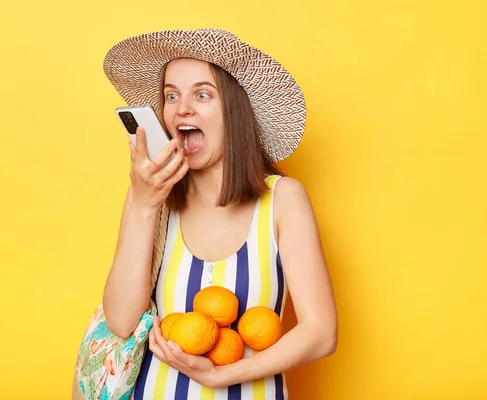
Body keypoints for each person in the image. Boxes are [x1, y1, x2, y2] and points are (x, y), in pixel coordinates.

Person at [101, 29, 337, 399]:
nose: (182, 109)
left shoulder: (282, 200)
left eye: (202, 94)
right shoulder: (150, 196)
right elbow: (120, 321)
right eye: (171, 96)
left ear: (234, 110)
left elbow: (321, 332)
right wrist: (145, 205)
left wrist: (223, 376)